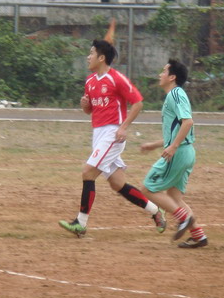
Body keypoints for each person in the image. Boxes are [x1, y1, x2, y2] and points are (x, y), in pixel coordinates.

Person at [59, 39, 166, 237]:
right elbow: (90, 111)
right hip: (98, 134)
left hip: (113, 134)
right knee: (117, 184)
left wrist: (123, 127)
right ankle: (155, 211)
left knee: (88, 172)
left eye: (91, 53)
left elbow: (138, 103)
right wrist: (85, 106)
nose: (88, 57)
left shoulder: (117, 78)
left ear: (101, 58)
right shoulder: (90, 81)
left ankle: (80, 223)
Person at [139, 59, 208, 248]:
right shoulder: (176, 95)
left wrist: (173, 147)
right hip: (186, 152)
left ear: (172, 77)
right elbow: (177, 130)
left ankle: (183, 218)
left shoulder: (175, 94)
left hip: (179, 153)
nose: (160, 75)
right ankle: (198, 235)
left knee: (147, 188)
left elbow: (188, 122)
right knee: (174, 197)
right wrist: (154, 145)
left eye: (164, 71)